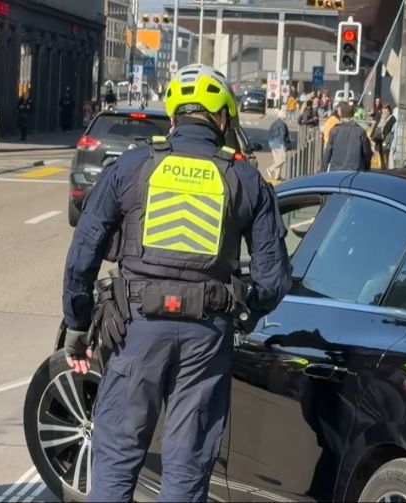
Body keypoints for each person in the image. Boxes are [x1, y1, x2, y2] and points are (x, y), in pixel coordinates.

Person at [61, 64, 290, 502]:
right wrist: (245, 312)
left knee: (117, 456)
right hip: (206, 337)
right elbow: (273, 279)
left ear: (173, 116)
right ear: (222, 119)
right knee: (186, 465)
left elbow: (83, 252)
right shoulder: (243, 179)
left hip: (135, 329)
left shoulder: (133, 166)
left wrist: (77, 321)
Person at [322, 102, 373, 172]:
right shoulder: (360, 132)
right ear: (352, 116)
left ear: (341, 116)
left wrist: (323, 170)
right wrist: (367, 167)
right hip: (356, 172)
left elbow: (327, 154)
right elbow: (367, 153)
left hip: (336, 172)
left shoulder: (334, 131)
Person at [266, 116, 292, 182]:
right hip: (278, 142)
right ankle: (270, 169)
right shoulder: (282, 124)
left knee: (277, 160)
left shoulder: (274, 123)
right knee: (283, 158)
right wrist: (285, 145)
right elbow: (282, 135)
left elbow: (269, 132)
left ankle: (277, 176)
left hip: (271, 142)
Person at [371, 104, 397, 170]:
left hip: (387, 143)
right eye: (383, 111)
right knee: (381, 156)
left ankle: (386, 168)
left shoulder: (392, 119)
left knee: (387, 157)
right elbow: (377, 128)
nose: (384, 113)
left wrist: (383, 120)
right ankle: (383, 167)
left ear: (389, 111)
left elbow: (387, 130)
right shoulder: (381, 118)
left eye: (386, 111)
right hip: (380, 142)